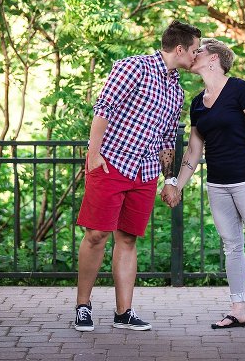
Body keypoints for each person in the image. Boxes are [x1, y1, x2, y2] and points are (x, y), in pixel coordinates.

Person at [73, 20, 201, 332]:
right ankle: (83, 305)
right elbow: (103, 108)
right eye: (195, 50)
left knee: (128, 239)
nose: (196, 57)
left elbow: (168, 139)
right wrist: (93, 153)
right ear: (180, 48)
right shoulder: (134, 67)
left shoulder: (178, 91)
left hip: (145, 174)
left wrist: (170, 180)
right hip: (111, 165)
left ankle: (123, 312)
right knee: (96, 235)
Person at [165, 38, 245, 330]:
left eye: (200, 50)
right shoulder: (197, 102)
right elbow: (194, 151)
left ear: (214, 58)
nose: (194, 55)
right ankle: (238, 310)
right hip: (217, 185)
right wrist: (178, 184)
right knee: (232, 247)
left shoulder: (240, 89)